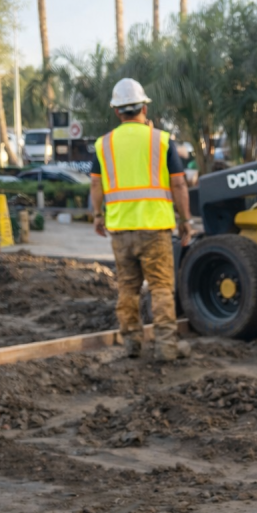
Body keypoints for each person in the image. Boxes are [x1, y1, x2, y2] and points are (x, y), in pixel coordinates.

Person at [90, 78, 193, 361]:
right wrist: (186, 220)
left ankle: (131, 345)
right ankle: (166, 347)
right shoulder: (161, 140)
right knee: (160, 288)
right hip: (155, 228)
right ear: (144, 108)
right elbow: (180, 185)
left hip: (121, 230)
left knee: (127, 288)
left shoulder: (104, 144)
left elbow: (96, 185)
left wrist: (98, 215)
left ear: (117, 111)